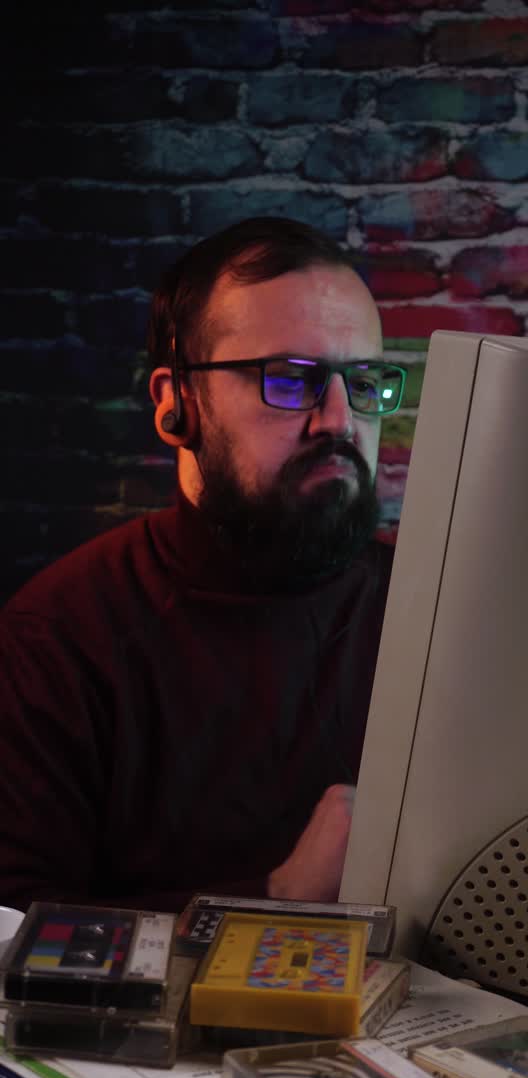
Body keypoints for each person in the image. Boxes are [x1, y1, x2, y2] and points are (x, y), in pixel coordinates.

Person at [0, 217, 406, 912]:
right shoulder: (59, 640)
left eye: (364, 382)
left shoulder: (432, 608)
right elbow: (14, 943)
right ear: (174, 403)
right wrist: (277, 899)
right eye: (289, 379)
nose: (339, 420)